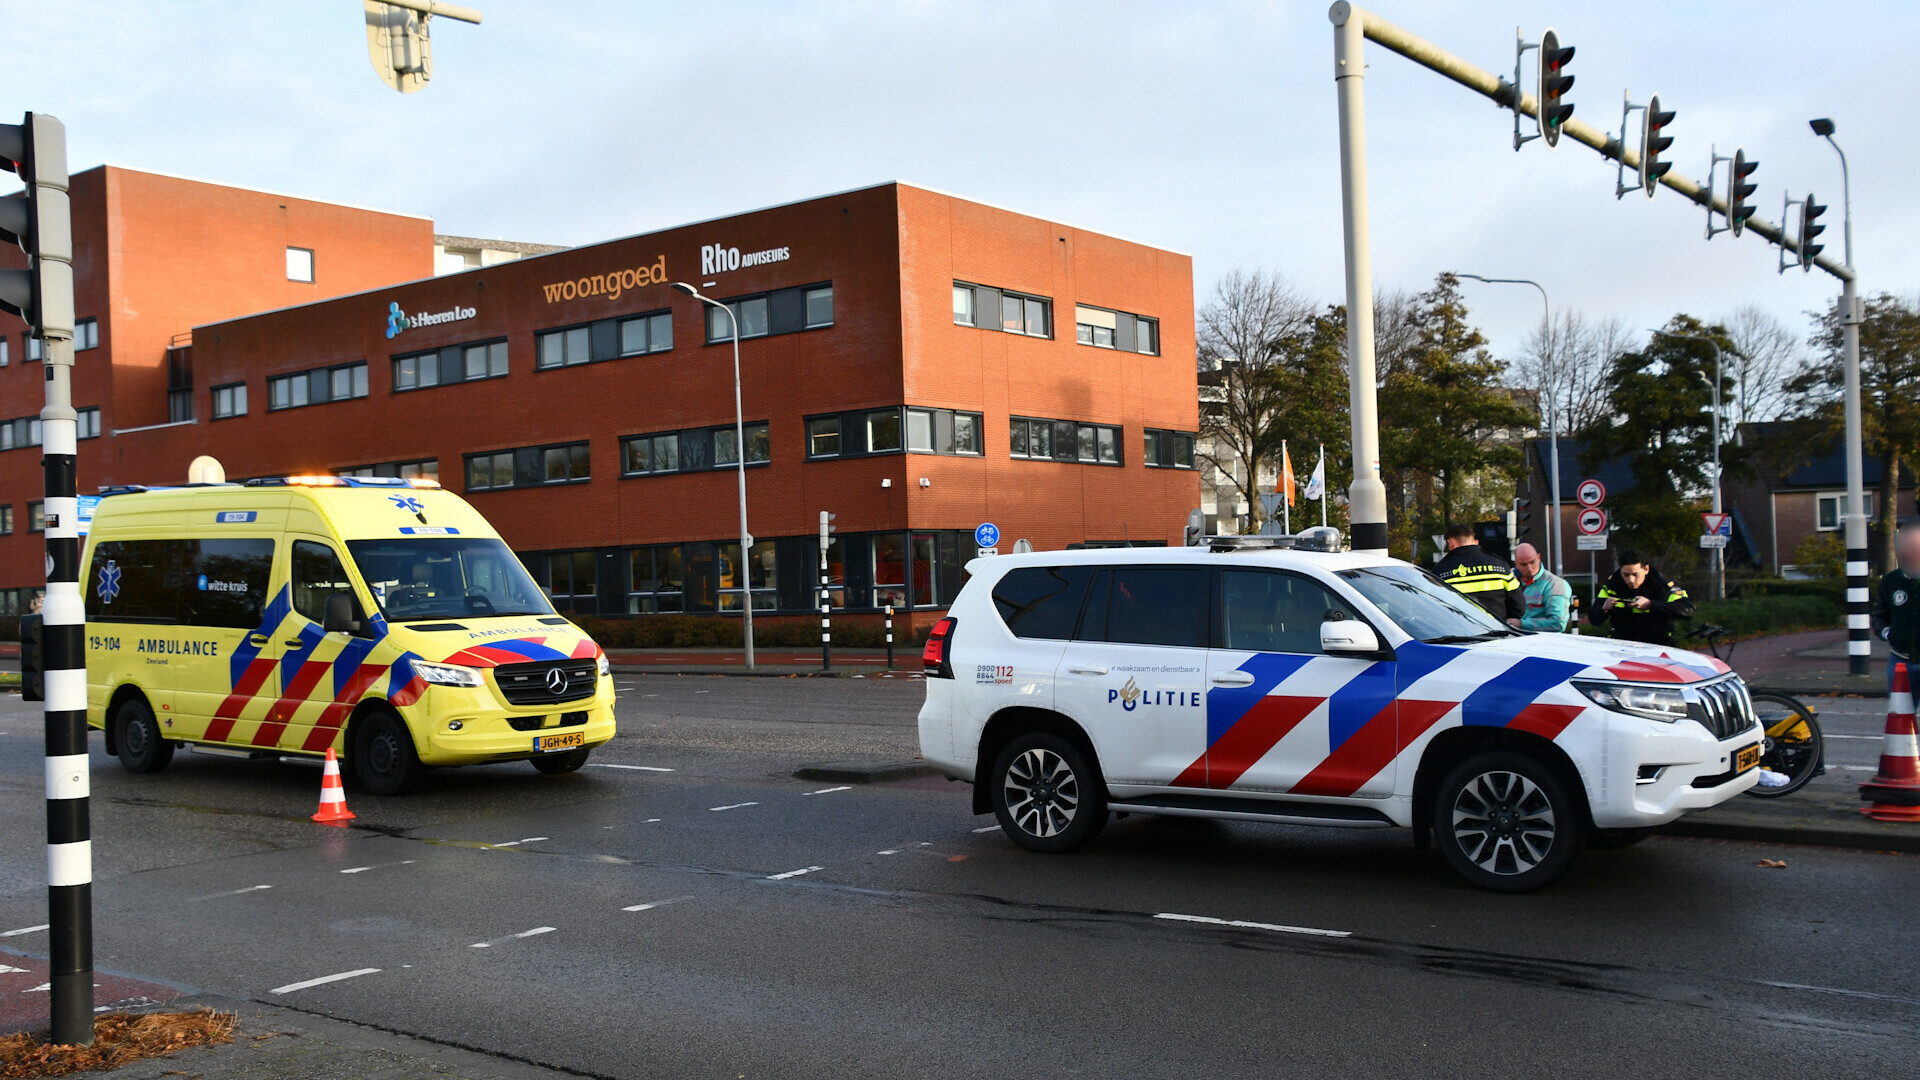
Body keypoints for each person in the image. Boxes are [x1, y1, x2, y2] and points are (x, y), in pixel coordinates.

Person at [1590, 549, 1694, 645]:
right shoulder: (1612, 586)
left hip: (1657, 645)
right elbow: (1594, 619)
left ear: (1646, 569)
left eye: (1635, 574)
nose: (1630, 580)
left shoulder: (1663, 587)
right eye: (1626, 575)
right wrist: (1604, 608)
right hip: (1621, 645)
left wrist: (1651, 605)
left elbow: (1687, 610)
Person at [1433, 523, 1522, 626]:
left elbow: (1433, 609)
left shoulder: (1440, 572)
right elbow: (1519, 606)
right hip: (1497, 632)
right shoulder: (1499, 565)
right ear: (1475, 542)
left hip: (1458, 634)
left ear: (1450, 543)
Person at [1874, 518, 1920, 689]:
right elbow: (1880, 613)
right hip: (1901, 660)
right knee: (1900, 713)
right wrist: (1888, 633)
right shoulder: (1890, 581)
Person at [1513, 542, 1571, 633]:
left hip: (1542, 643)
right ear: (1516, 563)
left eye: (1532, 562)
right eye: (1523, 565)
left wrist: (1521, 624)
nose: (1529, 568)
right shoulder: (1508, 579)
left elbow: (1558, 623)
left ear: (1539, 558)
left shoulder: (1555, 584)